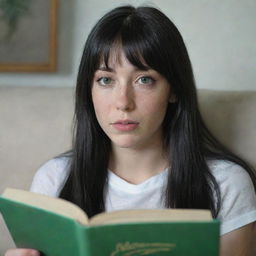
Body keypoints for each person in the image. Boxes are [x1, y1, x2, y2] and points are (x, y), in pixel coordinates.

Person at [5, 5, 256, 256]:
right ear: (88, 90)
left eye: (144, 80)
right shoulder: (54, 180)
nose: (123, 102)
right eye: (106, 80)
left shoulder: (225, 184)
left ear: (174, 90)